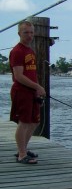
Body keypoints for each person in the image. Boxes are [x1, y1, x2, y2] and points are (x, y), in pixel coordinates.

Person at [9, 20, 46, 164]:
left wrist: (37, 89)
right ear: (19, 33)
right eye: (26, 32)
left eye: (31, 32)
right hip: (21, 91)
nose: (29, 35)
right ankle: (22, 155)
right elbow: (18, 76)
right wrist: (37, 87)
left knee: (34, 122)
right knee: (24, 122)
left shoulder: (30, 51)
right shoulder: (17, 51)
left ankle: (23, 148)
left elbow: (32, 73)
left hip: (32, 92)